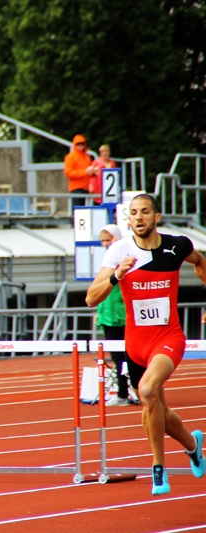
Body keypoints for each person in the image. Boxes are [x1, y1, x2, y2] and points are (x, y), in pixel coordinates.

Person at [85, 193, 206, 496]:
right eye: (133, 213)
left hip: (168, 338)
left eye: (144, 212)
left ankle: (158, 467)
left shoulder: (177, 246)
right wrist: (116, 276)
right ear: (128, 219)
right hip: (135, 343)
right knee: (159, 414)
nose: (138, 217)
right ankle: (193, 446)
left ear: (156, 216)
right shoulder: (119, 250)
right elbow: (90, 298)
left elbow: (200, 261)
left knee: (148, 390)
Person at [94, 224, 133, 407]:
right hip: (108, 313)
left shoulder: (122, 257)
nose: (104, 244)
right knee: (118, 356)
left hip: (121, 313)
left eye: (107, 240)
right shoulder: (107, 260)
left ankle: (124, 393)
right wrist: (99, 311)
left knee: (125, 356)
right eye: (102, 241)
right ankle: (125, 392)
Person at [64, 134, 96, 208]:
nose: (80, 145)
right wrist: (84, 172)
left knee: (87, 212)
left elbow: (89, 171)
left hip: (87, 188)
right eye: (78, 144)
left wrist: (94, 172)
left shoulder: (87, 157)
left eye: (82, 143)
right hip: (76, 188)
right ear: (74, 145)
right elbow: (68, 173)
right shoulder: (70, 157)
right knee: (78, 212)